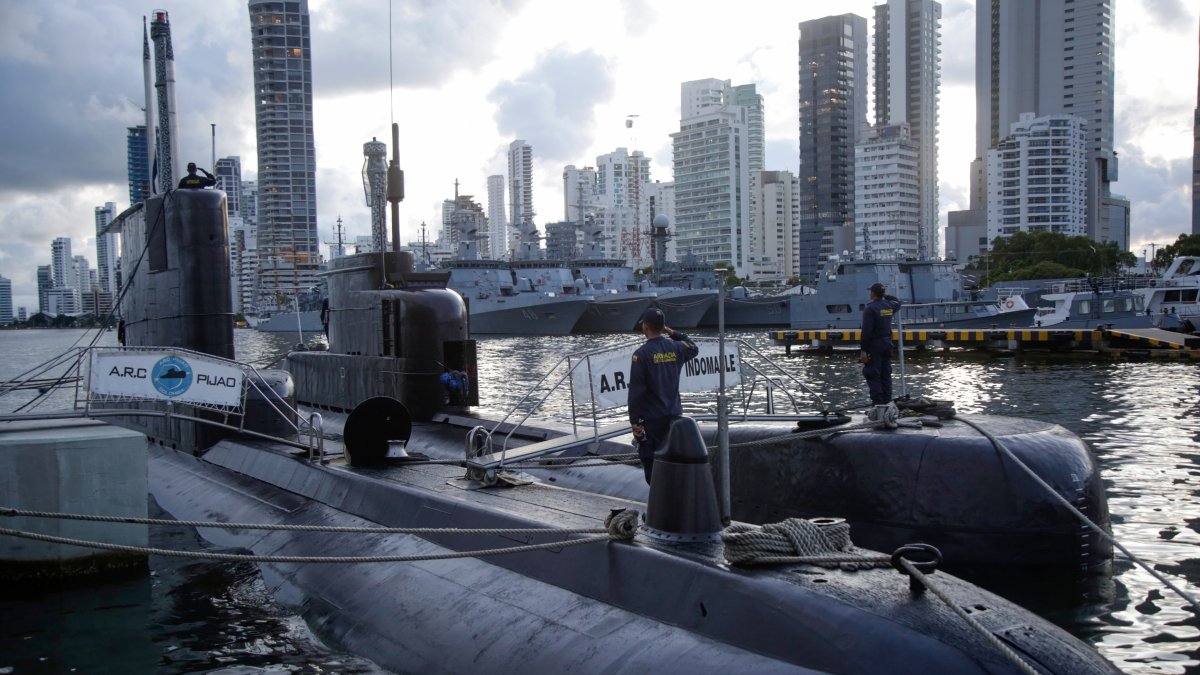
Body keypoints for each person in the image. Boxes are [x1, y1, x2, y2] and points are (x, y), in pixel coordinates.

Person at [627, 307, 699, 484]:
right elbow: (693, 347)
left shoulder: (641, 355)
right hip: (674, 416)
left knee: (651, 465)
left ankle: (660, 506)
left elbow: (636, 391)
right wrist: (672, 332)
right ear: (662, 326)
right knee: (672, 460)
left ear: (646, 326)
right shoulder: (676, 347)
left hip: (651, 420)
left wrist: (634, 420)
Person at [859, 282, 901, 407]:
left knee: (872, 373)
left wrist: (863, 350)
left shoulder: (870, 309)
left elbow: (866, 332)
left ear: (873, 293)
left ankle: (878, 405)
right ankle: (887, 403)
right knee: (885, 374)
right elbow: (898, 302)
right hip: (887, 344)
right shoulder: (889, 306)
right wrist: (886, 296)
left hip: (875, 346)